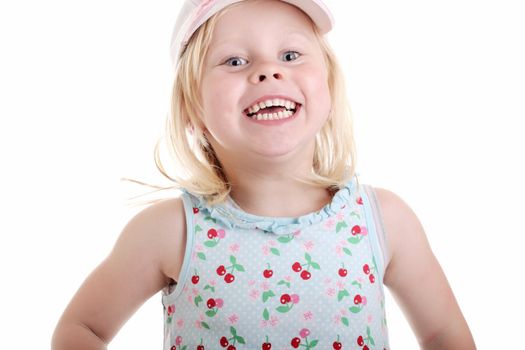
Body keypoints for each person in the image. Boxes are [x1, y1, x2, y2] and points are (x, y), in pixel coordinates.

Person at [52, 0, 476, 349]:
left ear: (327, 86)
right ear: (193, 109)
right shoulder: (170, 231)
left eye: (291, 55)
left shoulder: (383, 220)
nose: (269, 71)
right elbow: (80, 330)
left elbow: (445, 336)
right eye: (234, 60)